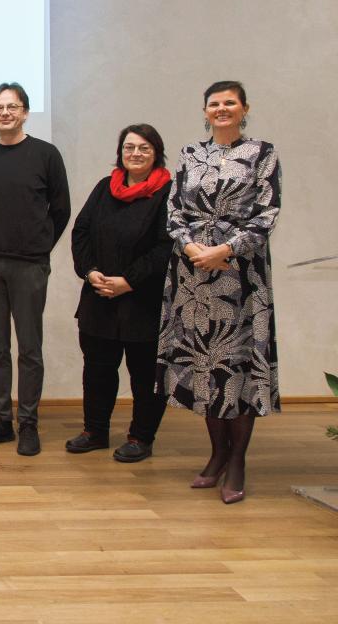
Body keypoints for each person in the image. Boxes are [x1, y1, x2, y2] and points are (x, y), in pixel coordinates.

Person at [157, 81, 281, 504]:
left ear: (245, 108)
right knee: (205, 367)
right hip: (193, 277)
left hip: (240, 278)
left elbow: (267, 213)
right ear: (205, 111)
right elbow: (174, 211)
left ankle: (238, 461)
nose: (222, 109)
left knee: (238, 371)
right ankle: (216, 455)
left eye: (230, 102)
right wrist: (193, 249)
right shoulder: (191, 153)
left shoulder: (262, 153)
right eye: (215, 104)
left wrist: (225, 250)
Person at [0, 82, 70, 456]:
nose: (5, 113)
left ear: (25, 112)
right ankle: (1, 420)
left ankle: (28, 423)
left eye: (12, 107)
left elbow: (61, 210)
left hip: (29, 266)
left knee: (29, 348)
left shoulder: (45, 154)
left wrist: (39, 247)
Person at [66, 124, 172, 462]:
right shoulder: (104, 188)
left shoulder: (168, 193)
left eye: (143, 148)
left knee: (144, 376)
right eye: (129, 148)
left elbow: (166, 246)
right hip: (99, 298)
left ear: (156, 152)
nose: (135, 154)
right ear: (120, 152)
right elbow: (80, 232)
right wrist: (90, 272)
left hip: (143, 300)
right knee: (97, 369)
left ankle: (141, 437)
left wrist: (128, 281)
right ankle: (94, 431)